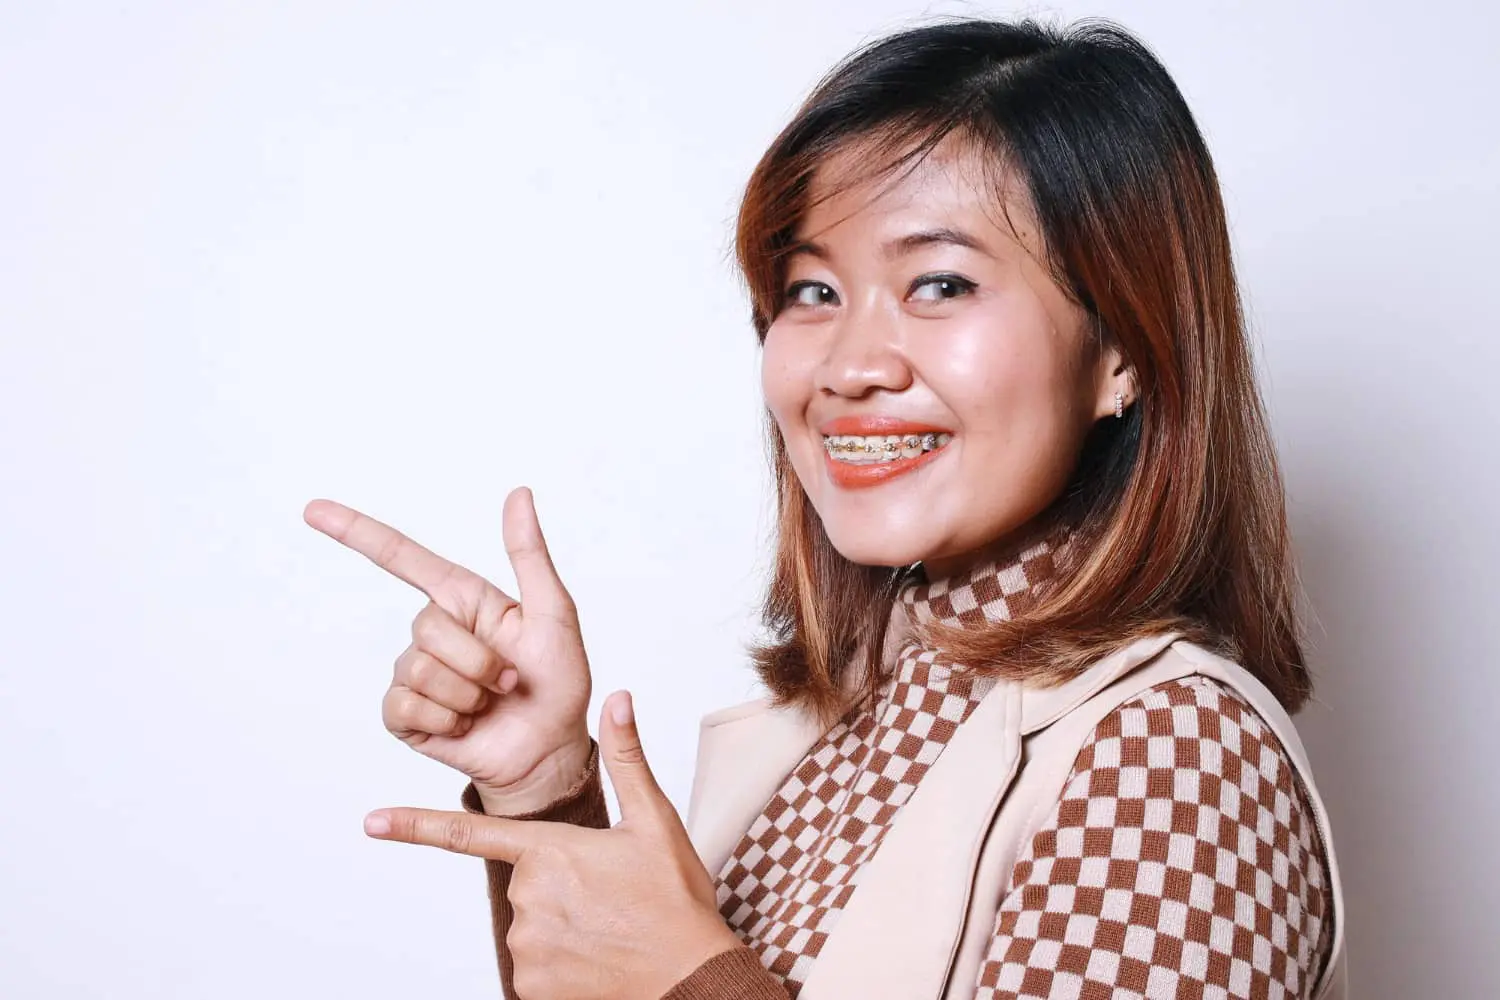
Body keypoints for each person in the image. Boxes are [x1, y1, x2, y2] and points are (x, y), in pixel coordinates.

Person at [305, 14, 1347, 1000]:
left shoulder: (1175, 752)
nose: (849, 365)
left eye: (940, 285)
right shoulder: (846, 719)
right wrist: (547, 789)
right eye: (811, 291)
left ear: (1121, 349)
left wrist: (690, 979)